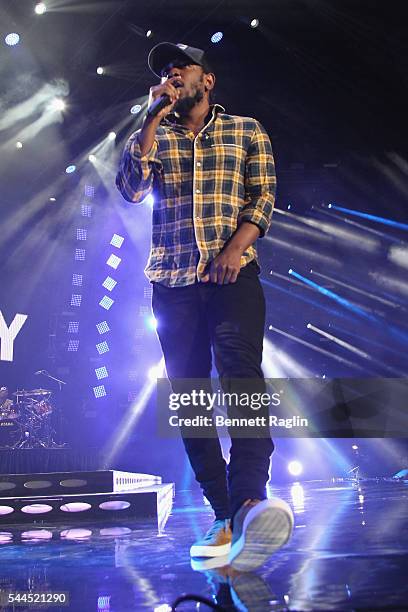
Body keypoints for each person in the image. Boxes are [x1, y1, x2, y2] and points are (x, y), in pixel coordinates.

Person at [116, 42, 294, 571]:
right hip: (172, 283)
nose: (171, 77)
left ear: (207, 80)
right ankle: (226, 513)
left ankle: (248, 501)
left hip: (232, 274)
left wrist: (233, 253)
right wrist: (150, 120)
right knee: (190, 400)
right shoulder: (154, 135)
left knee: (241, 378)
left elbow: (262, 197)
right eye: (165, 73)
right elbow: (130, 188)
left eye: (181, 69)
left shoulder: (246, 129)